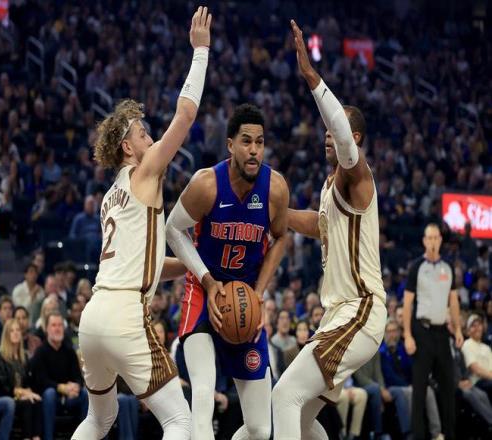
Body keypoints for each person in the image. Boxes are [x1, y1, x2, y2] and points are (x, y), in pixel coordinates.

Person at [71, 7, 212, 440]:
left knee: (99, 419)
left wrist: (191, 266)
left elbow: (143, 263)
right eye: (143, 133)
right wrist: (201, 52)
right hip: (126, 315)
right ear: (128, 148)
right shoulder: (144, 172)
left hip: (93, 316)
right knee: (180, 420)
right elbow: (185, 117)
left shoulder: (110, 196)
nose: (151, 137)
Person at [271, 21, 387, 440]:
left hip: (360, 309)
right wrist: (274, 213)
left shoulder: (358, 177)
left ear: (352, 139)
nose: (326, 137)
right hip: (339, 315)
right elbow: (318, 226)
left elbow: (339, 132)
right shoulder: (329, 187)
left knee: (283, 396)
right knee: (301, 417)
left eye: (333, 133)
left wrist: (310, 75)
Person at [166, 103, 289, 440]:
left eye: (260, 142)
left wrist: (259, 292)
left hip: (244, 299)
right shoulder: (206, 184)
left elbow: (280, 237)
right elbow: (173, 229)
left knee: (260, 429)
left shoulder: (276, 188)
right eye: (246, 141)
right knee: (203, 395)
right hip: (203, 294)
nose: (254, 150)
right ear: (231, 144)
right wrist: (207, 281)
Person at [403, 223, 463, 440]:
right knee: (419, 388)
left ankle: (449, 434)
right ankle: (418, 435)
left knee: (448, 386)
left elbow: (453, 301)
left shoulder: (448, 267)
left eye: (436, 238)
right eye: (429, 238)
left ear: (440, 240)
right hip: (422, 331)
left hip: (442, 333)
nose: (433, 241)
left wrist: (458, 329)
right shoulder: (416, 267)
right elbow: (407, 304)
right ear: (424, 241)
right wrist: (407, 335)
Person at [29, 312, 88, 440]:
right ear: (47, 329)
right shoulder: (40, 352)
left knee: (84, 394)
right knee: (49, 393)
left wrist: (76, 386)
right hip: (50, 398)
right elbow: (41, 381)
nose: (57, 328)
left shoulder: (69, 351)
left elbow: (78, 377)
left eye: (60, 325)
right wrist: (61, 388)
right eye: (54, 325)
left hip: (70, 396)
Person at [0, 318, 42, 440]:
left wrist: (28, 392)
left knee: (36, 401)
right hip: (6, 396)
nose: (15, 333)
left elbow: (29, 381)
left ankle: (36, 437)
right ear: (6, 335)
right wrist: (23, 393)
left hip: (21, 397)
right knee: (27, 403)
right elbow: (4, 386)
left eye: (17, 330)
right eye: (12, 330)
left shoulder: (24, 356)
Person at [461, 314, 492, 402]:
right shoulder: (467, 344)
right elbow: (475, 369)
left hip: (489, 379)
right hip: (476, 382)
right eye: (473, 326)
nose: (477, 328)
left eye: (479, 325)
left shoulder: (486, 347)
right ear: (468, 331)